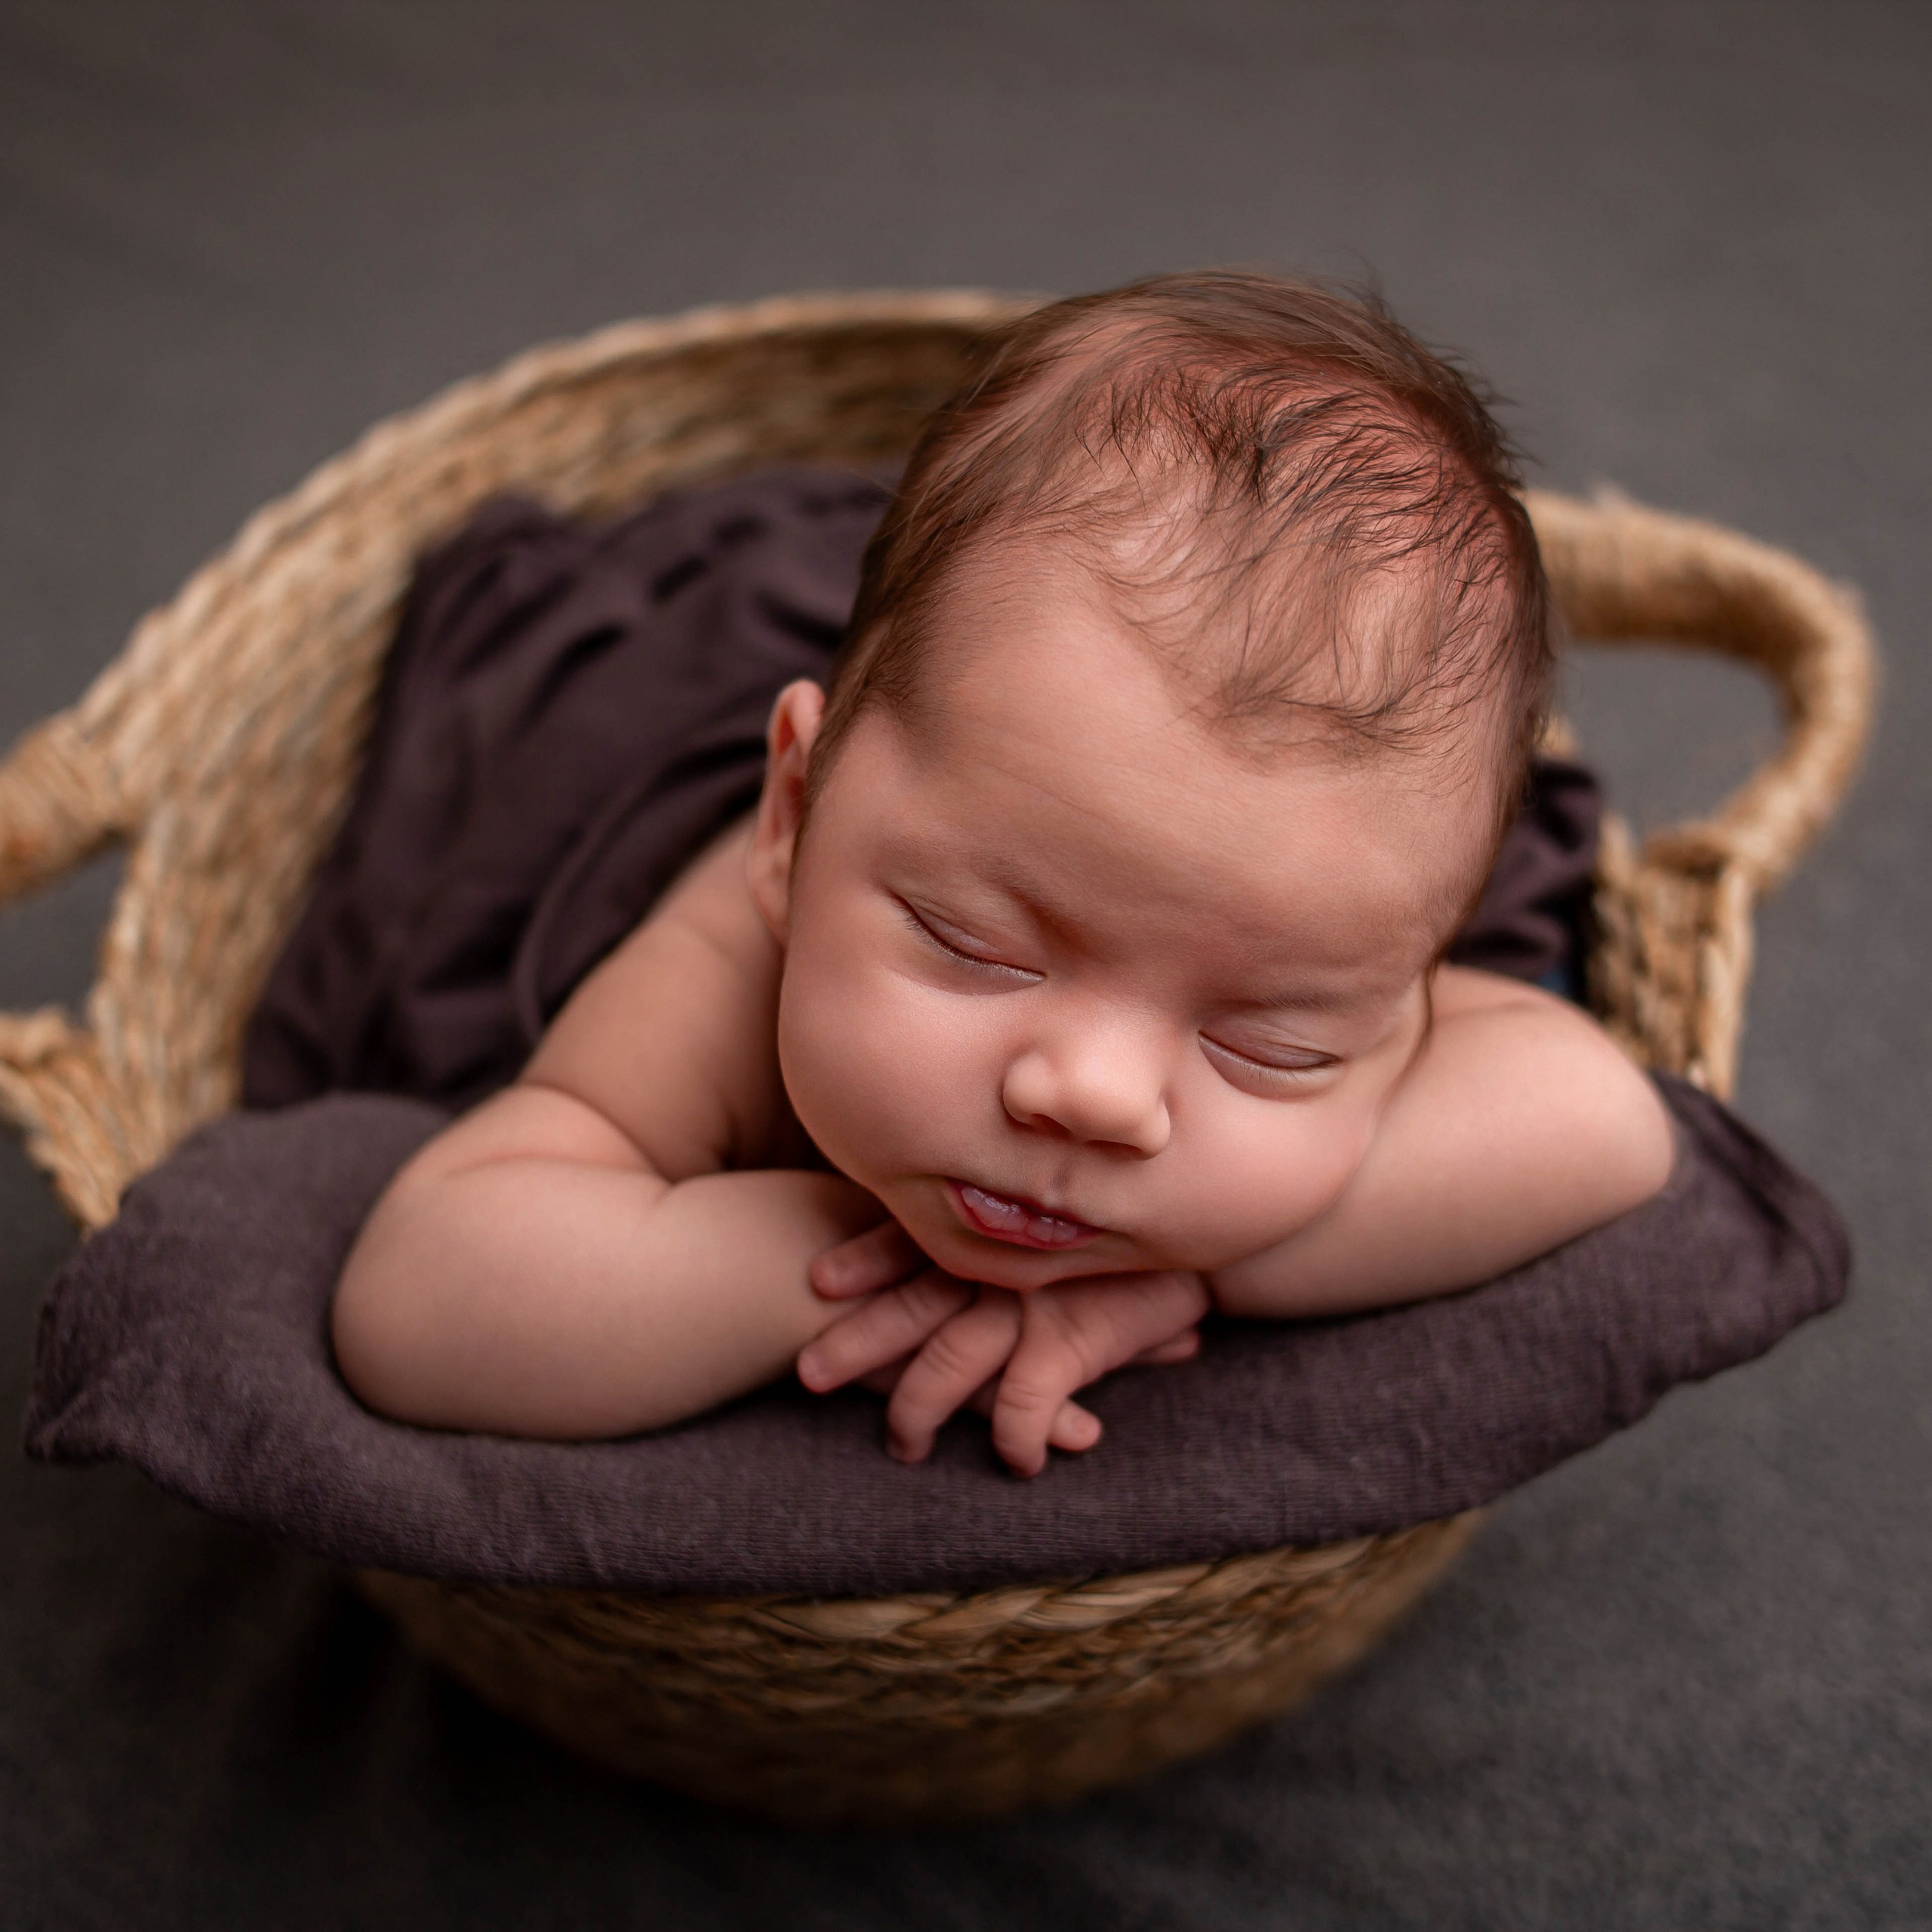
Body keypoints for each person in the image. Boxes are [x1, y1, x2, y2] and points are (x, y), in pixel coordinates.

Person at [330, 272, 1674, 1478]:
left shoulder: (1340, 913)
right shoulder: (721, 973)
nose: (1092, 1098)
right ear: (793, 822)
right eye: (974, 944)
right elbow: (417, 1306)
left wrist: (1195, 1274)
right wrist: (847, 1271)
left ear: (1406, 985)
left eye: (1270, 1046)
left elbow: (1601, 1125)